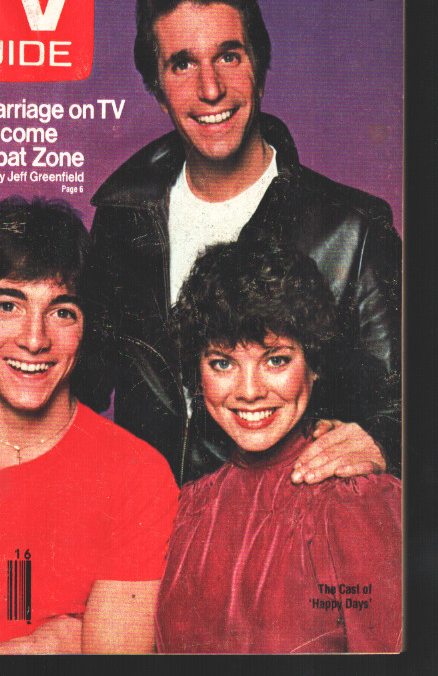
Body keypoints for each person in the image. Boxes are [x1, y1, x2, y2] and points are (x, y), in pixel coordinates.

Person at [0, 0, 401, 486]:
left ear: (259, 66)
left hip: (280, 522)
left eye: (228, 56)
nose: (210, 88)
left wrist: (385, 439)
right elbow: (72, 376)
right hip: (145, 518)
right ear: (158, 88)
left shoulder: (352, 231)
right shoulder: (124, 218)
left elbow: (406, 403)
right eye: (182, 64)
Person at [0, 197, 179, 655]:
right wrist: (41, 647)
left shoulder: (137, 477)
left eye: (62, 311)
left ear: (87, 329)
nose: (34, 339)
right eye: (8, 306)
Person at [154, 237, 401, 653]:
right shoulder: (187, 508)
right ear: (198, 374)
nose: (249, 391)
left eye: (276, 360)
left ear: (314, 364)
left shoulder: (357, 501)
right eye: (222, 363)